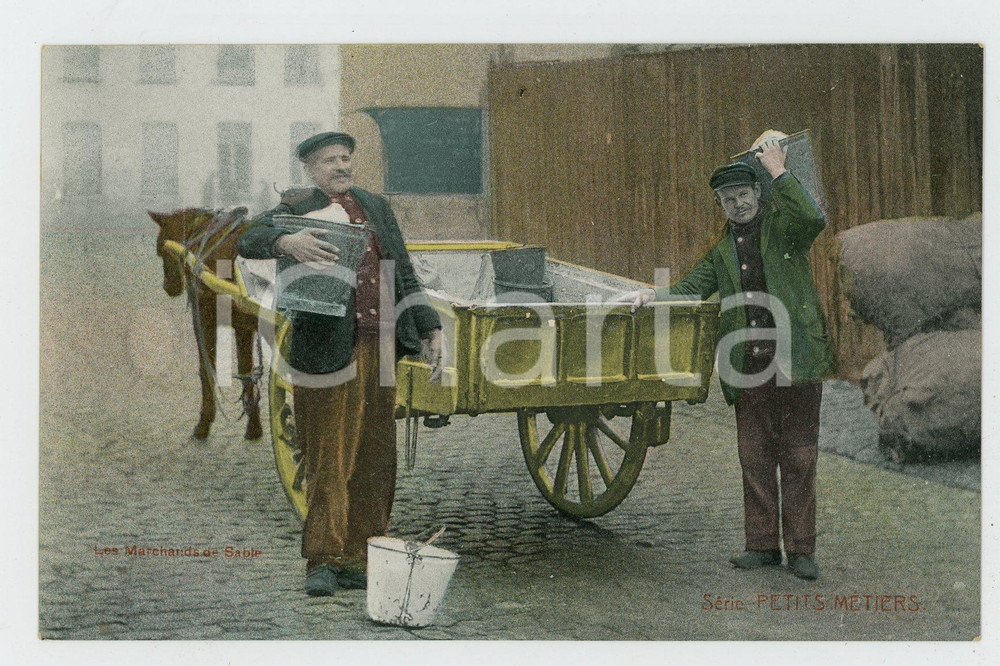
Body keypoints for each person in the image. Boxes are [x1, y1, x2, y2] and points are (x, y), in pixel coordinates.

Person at [237, 131, 443, 596]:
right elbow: (247, 239)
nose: (341, 166)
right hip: (327, 348)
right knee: (327, 452)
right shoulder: (298, 205)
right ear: (311, 169)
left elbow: (404, 271)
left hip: (381, 345)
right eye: (330, 160)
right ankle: (324, 560)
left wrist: (430, 328)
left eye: (345, 158)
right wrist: (287, 242)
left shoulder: (375, 207)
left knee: (375, 455)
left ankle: (362, 556)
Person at [624, 135, 837, 580]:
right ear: (720, 205)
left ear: (758, 192)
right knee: (754, 456)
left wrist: (779, 172)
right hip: (749, 365)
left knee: (799, 457)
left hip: (795, 358)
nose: (737, 205)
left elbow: (813, 218)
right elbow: (690, 289)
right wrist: (652, 296)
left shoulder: (785, 229)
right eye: (728, 199)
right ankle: (761, 546)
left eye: (743, 194)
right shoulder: (722, 250)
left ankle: (801, 551)